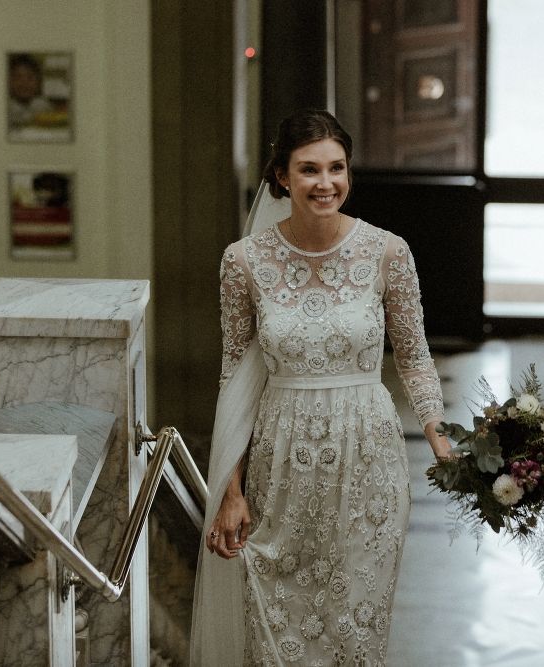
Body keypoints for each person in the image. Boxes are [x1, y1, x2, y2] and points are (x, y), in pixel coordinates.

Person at [191, 109, 451, 666]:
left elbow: (414, 355)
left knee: (356, 636)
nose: (326, 183)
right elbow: (233, 378)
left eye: (337, 168)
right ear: (282, 177)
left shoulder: (388, 252)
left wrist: (438, 432)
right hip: (278, 469)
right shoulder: (243, 263)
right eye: (309, 170)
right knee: (275, 629)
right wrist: (232, 491)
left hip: (369, 464)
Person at [8, 54, 53, 128]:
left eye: (30, 78)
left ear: (39, 82)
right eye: (18, 77)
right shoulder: (7, 107)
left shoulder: (44, 106)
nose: (24, 83)